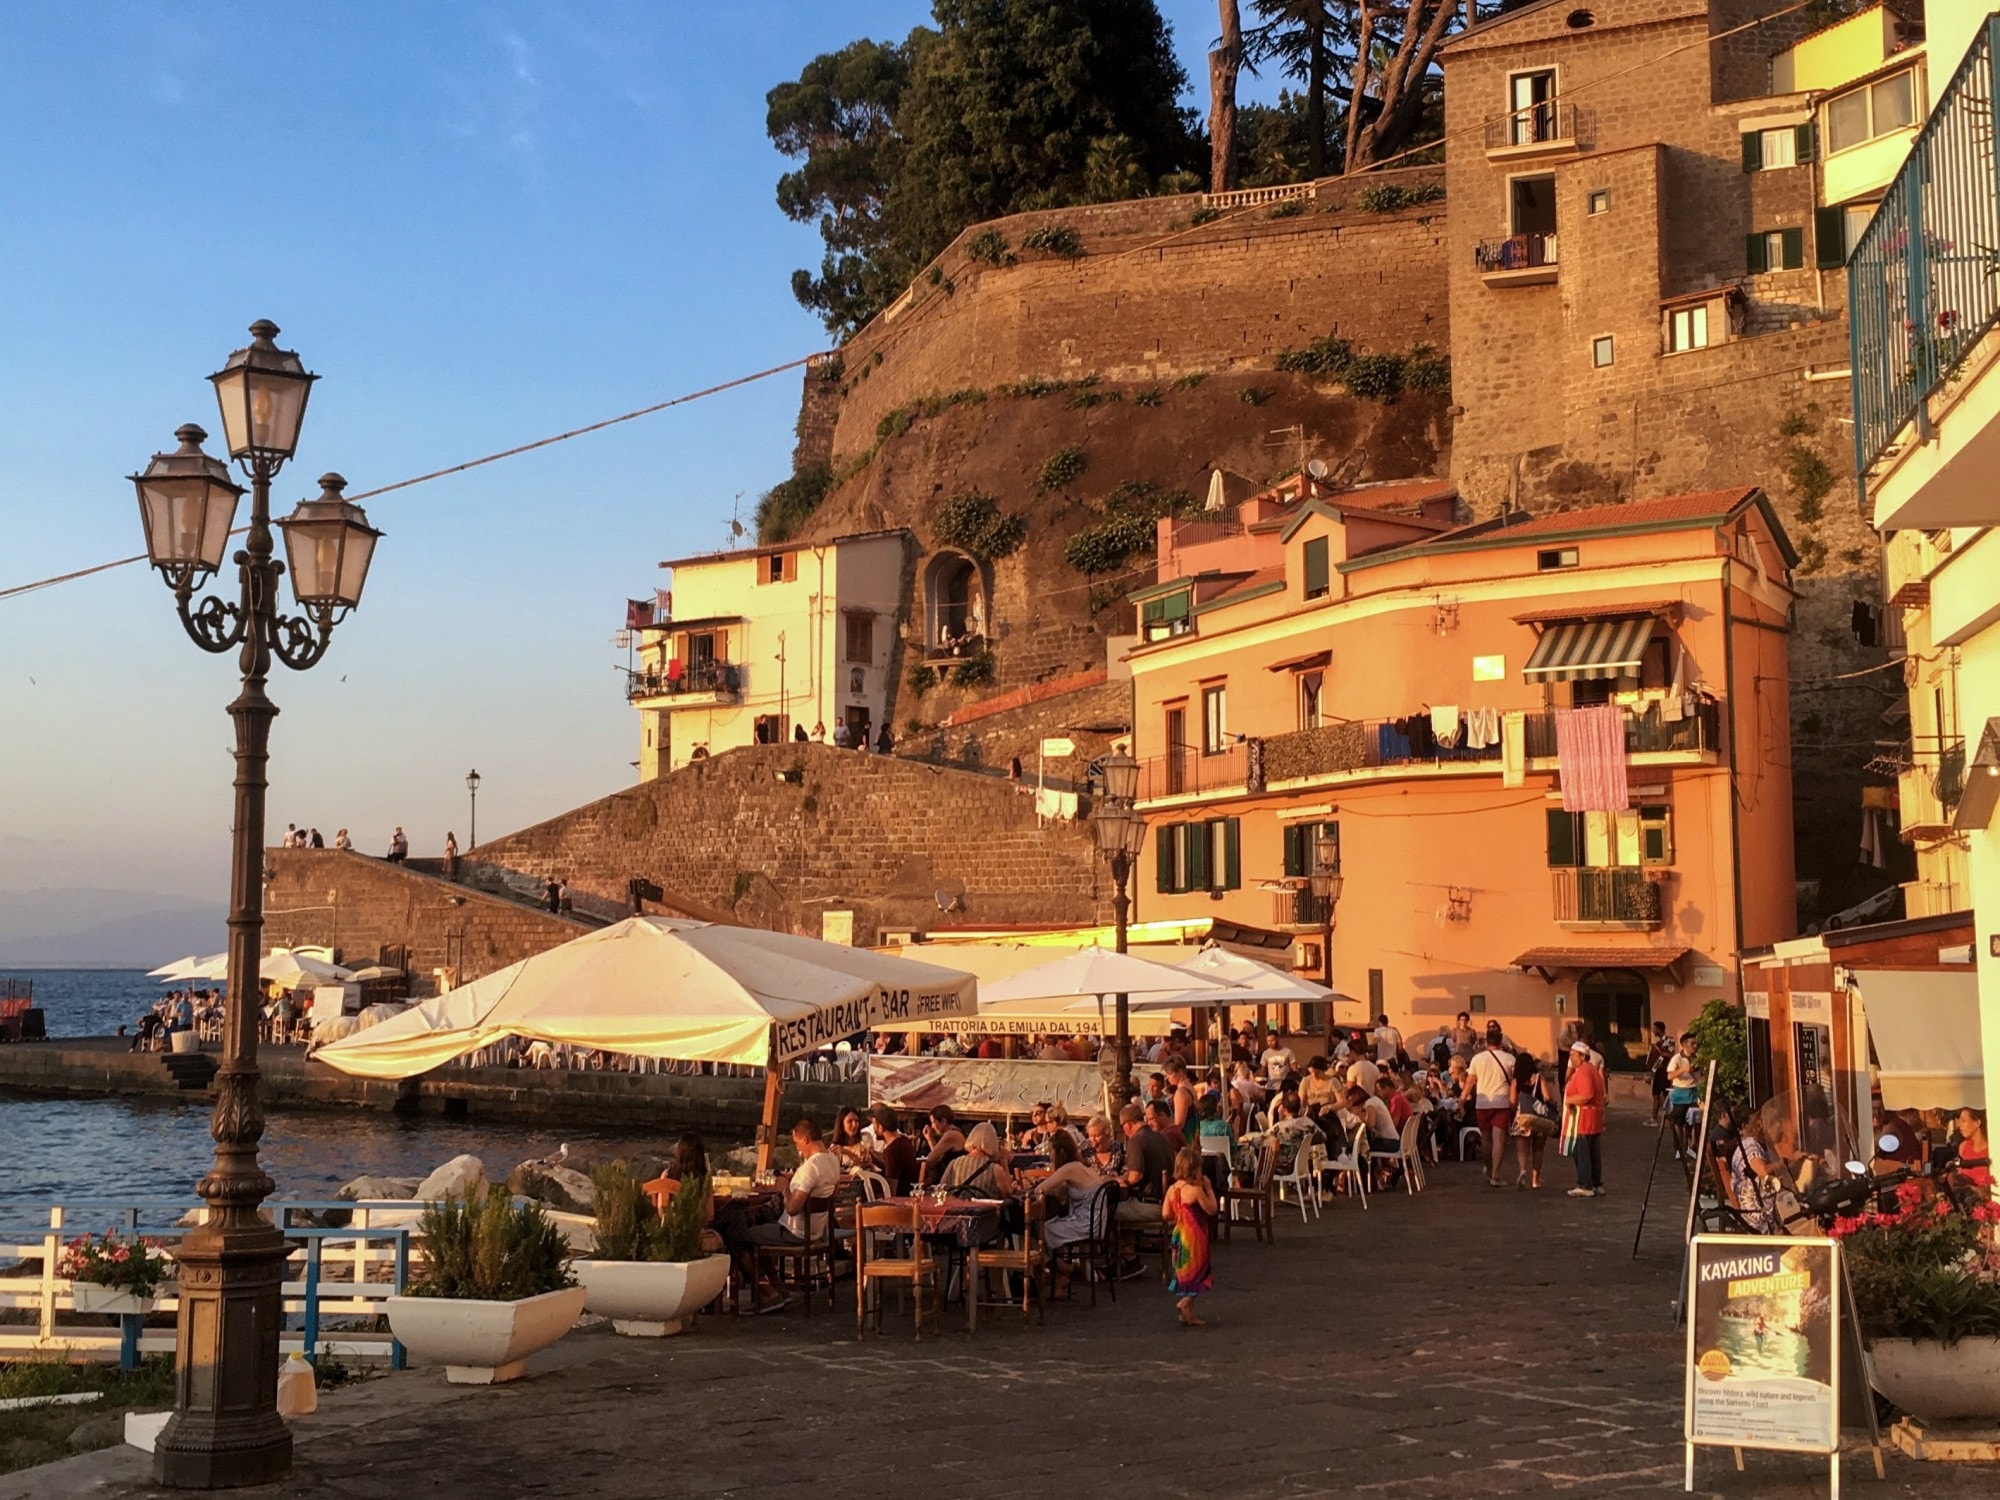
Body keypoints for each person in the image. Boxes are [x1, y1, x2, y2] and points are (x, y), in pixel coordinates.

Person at [739, 1117, 844, 1313]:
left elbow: (793, 1209)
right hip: (816, 1231)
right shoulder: (832, 1161)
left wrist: (785, 1188)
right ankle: (779, 1289)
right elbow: (833, 1191)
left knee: (741, 1236)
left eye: (797, 1143)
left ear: (804, 1139)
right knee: (762, 1226)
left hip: (796, 1233)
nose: (798, 1150)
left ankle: (768, 1294)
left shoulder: (810, 1167)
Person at [1037, 1131, 1105, 1296]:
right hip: (1095, 1220)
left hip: (1086, 1223)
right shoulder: (1082, 1165)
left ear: (1059, 1152)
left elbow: (1040, 1190)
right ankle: (1060, 1276)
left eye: (1051, 1151)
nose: (1049, 1156)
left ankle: (1062, 1270)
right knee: (1051, 1225)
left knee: (1041, 1230)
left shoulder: (1070, 1168)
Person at [1162, 1146, 1217, 1327]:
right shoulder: (1195, 1191)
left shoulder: (1173, 1189)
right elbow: (1212, 1209)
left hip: (1179, 1234)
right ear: (1194, 1170)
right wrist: (1208, 1189)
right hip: (1194, 1236)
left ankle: (1188, 1314)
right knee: (1199, 1272)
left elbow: (1166, 1214)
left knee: (1185, 1272)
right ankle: (1185, 1303)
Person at [1463, 1023, 1518, 1187]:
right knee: (1499, 1140)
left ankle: (1488, 1167)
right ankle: (1496, 1175)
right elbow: (1515, 1082)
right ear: (1501, 1042)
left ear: (1486, 1042)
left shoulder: (1477, 1059)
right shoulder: (1510, 1059)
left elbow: (1469, 1082)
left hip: (1482, 1103)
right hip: (1502, 1102)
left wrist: (1460, 1101)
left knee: (1485, 1139)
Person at [1115, 1102, 1176, 1230]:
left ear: (1127, 1124)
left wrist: (1119, 1180)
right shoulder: (1162, 1137)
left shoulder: (1136, 1140)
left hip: (1149, 1205)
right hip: (1167, 1202)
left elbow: (1135, 1176)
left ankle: (1124, 1248)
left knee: (1108, 1210)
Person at [1561, 1040, 1607, 1198]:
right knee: (1593, 1152)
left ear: (1582, 1056)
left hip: (1584, 1119)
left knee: (1583, 1152)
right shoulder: (1591, 1070)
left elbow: (1586, 1094)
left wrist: (1569, 1100)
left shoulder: (1583, 1071)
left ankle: (1585, 1184)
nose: (1571, 1058)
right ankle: (1595, 1183)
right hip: (1592, 1119)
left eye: (1573, 1055)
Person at [1510, 1051, 1558, 1189]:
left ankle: (1522, 1171)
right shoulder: (1538, 1077)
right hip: (1538, 1116)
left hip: (1522, 1116)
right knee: (1538, 1148)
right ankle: (1535, 1179)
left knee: (1521, 1147)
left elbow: (1512, 1102)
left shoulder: (1515, 1081)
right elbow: (1548, 1097)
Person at [939, 1121, 1015, 1197]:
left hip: (955, 1207)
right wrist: (1004, 1162)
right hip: (984, 1208)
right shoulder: (995, 1169)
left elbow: (941, 1187)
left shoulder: (953, 1163)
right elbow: (1008, 1193)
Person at [1665, 1033, 1700, 1159]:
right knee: (1678, 1122)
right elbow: (1669, 1076)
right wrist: (1683, 1070)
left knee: (1694, 1121)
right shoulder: (1677, 1059)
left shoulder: (1697, 1058)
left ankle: (1691, 1147)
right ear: (1684, 1045)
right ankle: (1679, 1148)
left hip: (1694, 1092)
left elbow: (1700, 1076)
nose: (1694, 1046)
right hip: (1680, 1093)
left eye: (1695, 1043)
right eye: (1692, 1044)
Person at [870, 1106, 919, 1194]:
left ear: (881, 1127)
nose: (873, 1129)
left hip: (901, 1200)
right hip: (911, 1194)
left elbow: (891, 1190)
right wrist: (873, 1160)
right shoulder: (904, 1141)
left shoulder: (892, 1150)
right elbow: (893, 1168)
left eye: (874, 1125)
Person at [1951, 1107, 1991, 1190]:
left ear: (1977, 1122)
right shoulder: (1963, 1147)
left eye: (1963, 1121)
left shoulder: (1992, 1150)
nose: (1959, 1125)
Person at [1643, 1021, 1673, 1128]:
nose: (1652, 1031)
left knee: (1665, 1095)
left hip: (1665, 1071)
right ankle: (1654, 1118)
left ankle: (1669, 1117)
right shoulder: (1656, 1043)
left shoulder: (1669, 1040)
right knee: (1656, 1094)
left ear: (1659, 1029)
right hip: (1657, 1072)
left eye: (1654, 1028)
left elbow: (1670, 1054)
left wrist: (1659, 1052)